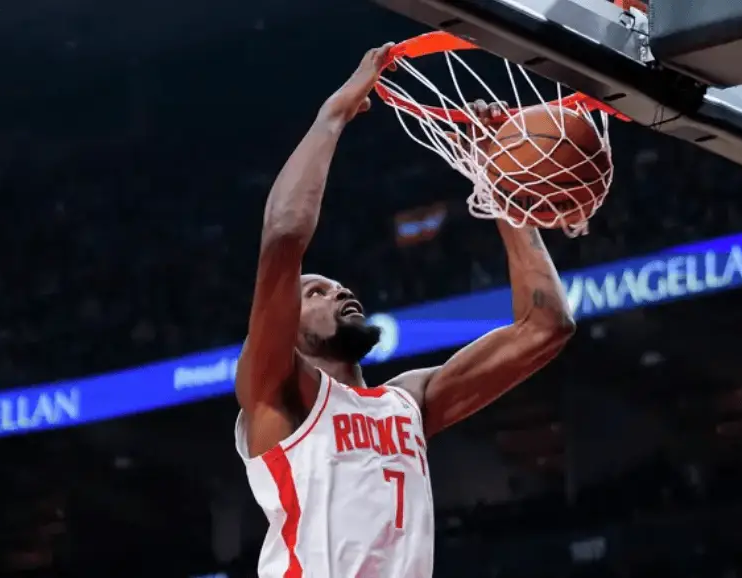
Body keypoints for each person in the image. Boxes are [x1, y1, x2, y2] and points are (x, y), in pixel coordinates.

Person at [234, 42, 575, 578]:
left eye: (340, 286)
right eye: (317, 292)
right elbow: (283, 238)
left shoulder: (408, 401)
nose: (340, 292)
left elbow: (545, 327)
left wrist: (500, 188)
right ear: (286, 328)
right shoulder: (278, 396)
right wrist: (332, 117)